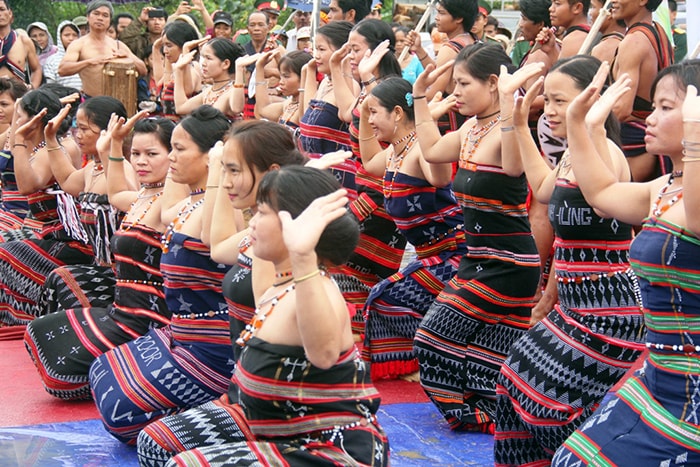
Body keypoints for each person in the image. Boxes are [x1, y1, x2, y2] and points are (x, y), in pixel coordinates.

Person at [137, 166, 389, 467]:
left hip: (329, 452)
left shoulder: (317, 289)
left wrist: (303, 254)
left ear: (294, 225)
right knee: (154, 444)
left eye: (262, 213)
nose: (251, 223)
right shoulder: (277, 285)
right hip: (271, 428)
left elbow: (323, 354)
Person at [493, 55, 646, 466]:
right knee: (514, 377)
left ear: (590, 100)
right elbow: (543, 189)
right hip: (575, 306)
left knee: (549, 401)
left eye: (561, 101)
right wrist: (520, 122)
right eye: (550, 100)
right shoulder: (570, 155)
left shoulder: (603, 152)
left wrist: (587, 123)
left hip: (611, 310)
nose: (553, 110)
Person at [552, 58, 700, 467]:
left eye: (666, 108)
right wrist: (581, 123)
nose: (649, 119)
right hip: (658, 371)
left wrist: (696, 132)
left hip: (692, 387)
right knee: (571, 457)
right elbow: (600, 194)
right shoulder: (666, 187)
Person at [412, 43, 541, 433]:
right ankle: (493, 417)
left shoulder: (511, 129)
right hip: (477, 262)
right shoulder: (469, 127)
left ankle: (478, 418)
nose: (457, 92)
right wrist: (419, 95)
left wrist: (507, 100)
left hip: (510, 265)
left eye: (464, 84)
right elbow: (432, 150)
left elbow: (513, 164)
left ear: (492, 83)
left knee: (431, 339)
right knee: (485, 357)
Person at [89, 106, 232, 444]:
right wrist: (112, 149)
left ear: (211, 154)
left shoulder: (222, 207)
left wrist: (219, 169)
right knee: (101, 373)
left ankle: (218, 404)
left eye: (177, 150)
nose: (170, 160)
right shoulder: (184, 205)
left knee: (125, 419)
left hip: (209, 344)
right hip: (178, 332)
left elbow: (214, 241)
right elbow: (127, 197)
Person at [24, 116, 174, 400]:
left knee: (62, 372)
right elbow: (116, 192)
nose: (141, 161)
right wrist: (115, 144)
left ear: (174, 155)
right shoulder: (143, 197)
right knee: (39, 332)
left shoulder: (173, 203)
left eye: (152, 154)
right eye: (137, 154)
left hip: (149, 317)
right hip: (122, 307)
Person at [358, 77, 465, 380]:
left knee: (386, 297)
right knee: (380, 299)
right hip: (429, 256)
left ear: (397, 113)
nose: (370, 120)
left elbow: (441, 177)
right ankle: (423, 359)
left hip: (457, 254)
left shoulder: (421, 150)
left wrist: (427, 117)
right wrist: (366, 103)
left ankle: (439, 357)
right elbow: (368, 164)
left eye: (375, 113)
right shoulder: (394, 152)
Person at [0, 90, 92, 328]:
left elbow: (26, 187)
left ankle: (23, 321)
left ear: (35, 120)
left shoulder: (48, 151)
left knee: (5, 252)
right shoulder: (41, 147)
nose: (15, 123)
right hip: (48, 231)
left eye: (19, 116)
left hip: (69, 239)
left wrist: (18, 141)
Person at [37, 96, 128, 315]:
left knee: (62, 279)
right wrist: (50, 138)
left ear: (107, 131)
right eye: (77, 128)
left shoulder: (122, 168)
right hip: (97, 265)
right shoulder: (92, 169)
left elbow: (124, 195)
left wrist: (109, 150)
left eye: (85, 129)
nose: (78, 134)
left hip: (120, 275)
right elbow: (67, 180)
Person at [610, 0, 672, 183]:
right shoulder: (660, 33)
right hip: (651, 139)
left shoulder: (633, 41)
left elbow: (621, 109)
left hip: (634, 148)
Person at [405, 0, 479, 134]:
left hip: (451, 119)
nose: (436, 17)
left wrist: (409, 99)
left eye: (441, 13)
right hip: (470, 116)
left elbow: (435, 93)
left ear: (459, 18)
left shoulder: (450, 48)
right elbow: (440, 71)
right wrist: (419, 49)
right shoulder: (472, 40)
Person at [59, 0, 147, 99]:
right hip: (92, 100)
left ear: (109, 20)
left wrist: (129, 57)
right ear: (88, 17)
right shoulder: (79, 44)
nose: (100, 18)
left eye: (105, 15)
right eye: (96, 14)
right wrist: (90, 62)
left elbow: (143, 70)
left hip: (118, 100)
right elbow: (62, 70)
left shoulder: (117, 44)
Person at [174, 37, 245, 118]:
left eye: (208, 58)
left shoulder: (232, 90)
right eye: (203, 58)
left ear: (225, 64)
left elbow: (237, 108)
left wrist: (239, 69)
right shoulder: (208, 92)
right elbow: (180, 108)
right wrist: (178, 71)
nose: (203, 63)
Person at [152, 21, 201, 122]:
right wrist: (156, 48)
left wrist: (186, 52)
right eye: (163, 45)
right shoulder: (175, 70)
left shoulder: (192, 67)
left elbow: (187, 90)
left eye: (169, 45)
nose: (165, 50)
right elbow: (161, 83)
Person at [253, 49, 311, 129]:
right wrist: (259, 67)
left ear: (304, 76)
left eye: (286, 76)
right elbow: (263, 109)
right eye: (281, 76)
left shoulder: (310, 107)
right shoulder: (289, 104)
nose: (281, 82)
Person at [0, 76, 27, 234]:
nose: (0, 109)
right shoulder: (9, 133)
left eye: (4, 104)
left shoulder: (28, 136)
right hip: (6, 209)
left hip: (22, 214)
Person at [0, 0, 42, 88]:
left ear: (10, 13)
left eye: (2, 9)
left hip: (17, 97)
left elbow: (37, 69)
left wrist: (32, 87)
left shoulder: (24, 41)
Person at [43, 21, 82, 90]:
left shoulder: (85, 58)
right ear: (60, 37)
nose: (71, 38)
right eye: (67, 35)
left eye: (74, 35)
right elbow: (51, 86)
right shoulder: (52, 60)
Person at [589, 0, 626, 65]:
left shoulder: (604, 48)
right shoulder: (626, 42)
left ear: (609, 13)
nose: (590, 13)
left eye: (593, 7)